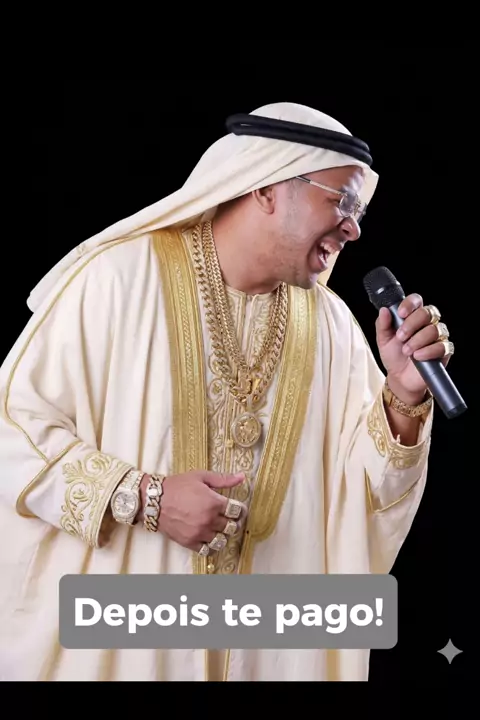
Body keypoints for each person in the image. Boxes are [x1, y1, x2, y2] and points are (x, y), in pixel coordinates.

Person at [0, 102, 454, 682]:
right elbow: (14, 430)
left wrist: (404, 397)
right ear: (267, 186)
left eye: (359, 211)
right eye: (342, 202)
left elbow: (357, 505)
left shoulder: (334, 327)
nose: (353, 228)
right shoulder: (118, 281)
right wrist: (146, 497)